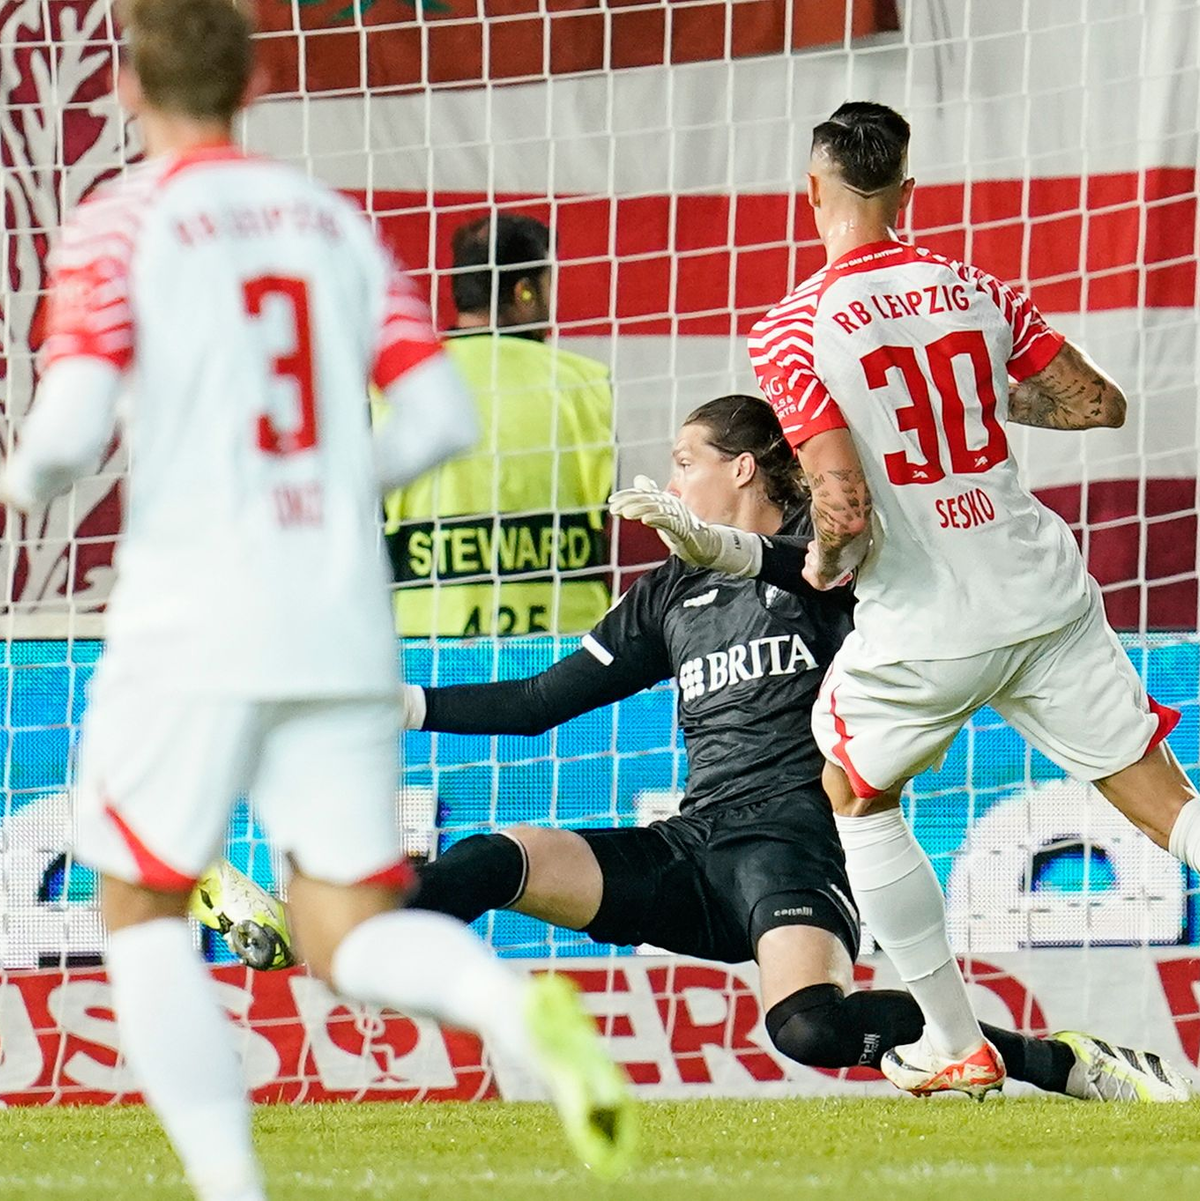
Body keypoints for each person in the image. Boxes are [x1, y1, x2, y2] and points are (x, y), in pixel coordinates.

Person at [0, 3, 632, 1198]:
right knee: (348, 929)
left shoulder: (120, 221)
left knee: (140, 907)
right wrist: (328, 491)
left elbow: (69, 433)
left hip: (196, 608)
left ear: (127, 87)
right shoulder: (326, 221)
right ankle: (507, 1004)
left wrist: (21, 477)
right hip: (338, 613)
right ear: (254, 81)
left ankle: (232, 1188)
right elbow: (437, 418)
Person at [199, 396, 1191, 1103]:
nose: (669, 480)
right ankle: (312, 927)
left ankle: (1053, 1061)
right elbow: (541, 702)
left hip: (796, 846)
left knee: (810, 1029)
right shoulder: (669, 592)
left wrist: (747, 550)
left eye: (685, 460)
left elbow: (823, 571)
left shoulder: (836, 559)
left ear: (743, 467)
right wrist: (404, 704)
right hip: (694, 844)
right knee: (501, 856)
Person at [731, 99, 1200, 1098]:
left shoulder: (790, 328)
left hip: (931, 620)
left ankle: (956, 1039)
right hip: (1044, 591)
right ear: (907, 190)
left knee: (855, 791)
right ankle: (957, 1043)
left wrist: (821, 565)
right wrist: (978, 398)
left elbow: (842, 503)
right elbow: (1098, 403)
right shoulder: (978, 287)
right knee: (1168, 806)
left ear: (811, 188)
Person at [385, 213, 614, 637]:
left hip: (429, 640)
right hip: (562, 643)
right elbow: (610, 515)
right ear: (525, 291)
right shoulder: (585, 382)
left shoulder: (407, 383)